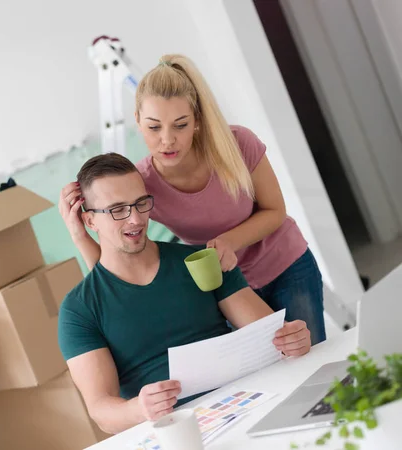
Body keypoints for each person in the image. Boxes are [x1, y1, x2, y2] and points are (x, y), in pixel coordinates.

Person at [59, 54, 326, 345]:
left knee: (311, 360)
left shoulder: (237, 144)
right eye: (154, 127)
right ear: (137, 121)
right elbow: (116, 266)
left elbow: (275, 211)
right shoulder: (141, 184)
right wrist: (79, 232)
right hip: (225, 289)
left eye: (180, 125)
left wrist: (229, 242)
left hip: (287, 266)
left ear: (197, 120)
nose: (167, 139)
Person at [58, 153, 312, 435]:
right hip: (171, 430)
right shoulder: (78, 309)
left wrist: (292, 339)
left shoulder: (201, 261)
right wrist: (140, 408)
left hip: (243, 408)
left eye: (141, 203)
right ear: (90, 221)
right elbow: (101, 411)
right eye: (118, 209)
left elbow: (271, 335)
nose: (135, 219)